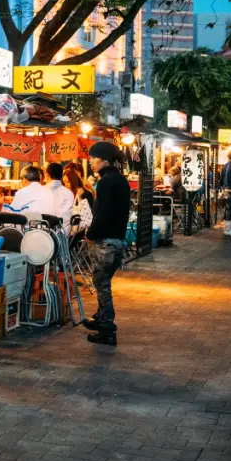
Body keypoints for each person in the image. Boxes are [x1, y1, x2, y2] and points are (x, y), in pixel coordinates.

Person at [81, 142, 128, 346]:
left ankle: (107, 329)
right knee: (102, 283)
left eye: (94, 157)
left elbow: (103, 214)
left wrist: (91, 233)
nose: (90, 161)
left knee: (102, 286)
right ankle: (101, 319)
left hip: (106, 242)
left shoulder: (107, 182)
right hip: (116, 240)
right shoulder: (119, 180)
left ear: (105, 160)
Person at [62, 168, 95, 238]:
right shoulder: (71, 194)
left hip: (83, 232)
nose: (66, 185)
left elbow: (91, 212)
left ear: (73, 181)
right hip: (75, 231)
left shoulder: (84, 193)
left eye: (67, 182)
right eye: (64, 183)